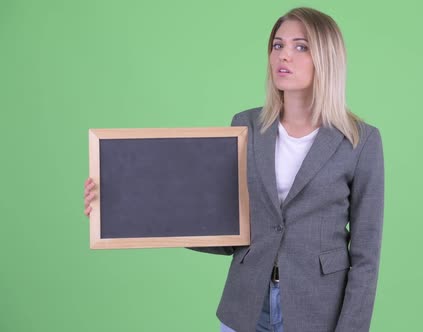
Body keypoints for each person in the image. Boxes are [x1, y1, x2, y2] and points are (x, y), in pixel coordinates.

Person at [83, 7, 384, 332]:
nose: (284, 56)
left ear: (327, 58)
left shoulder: (360, 140)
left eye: (301, 46)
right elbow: (224, 230)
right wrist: (124, 203)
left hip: (318, 310)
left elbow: (366, 254)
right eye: (277, 45)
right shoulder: (246, 126)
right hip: (246, 307)